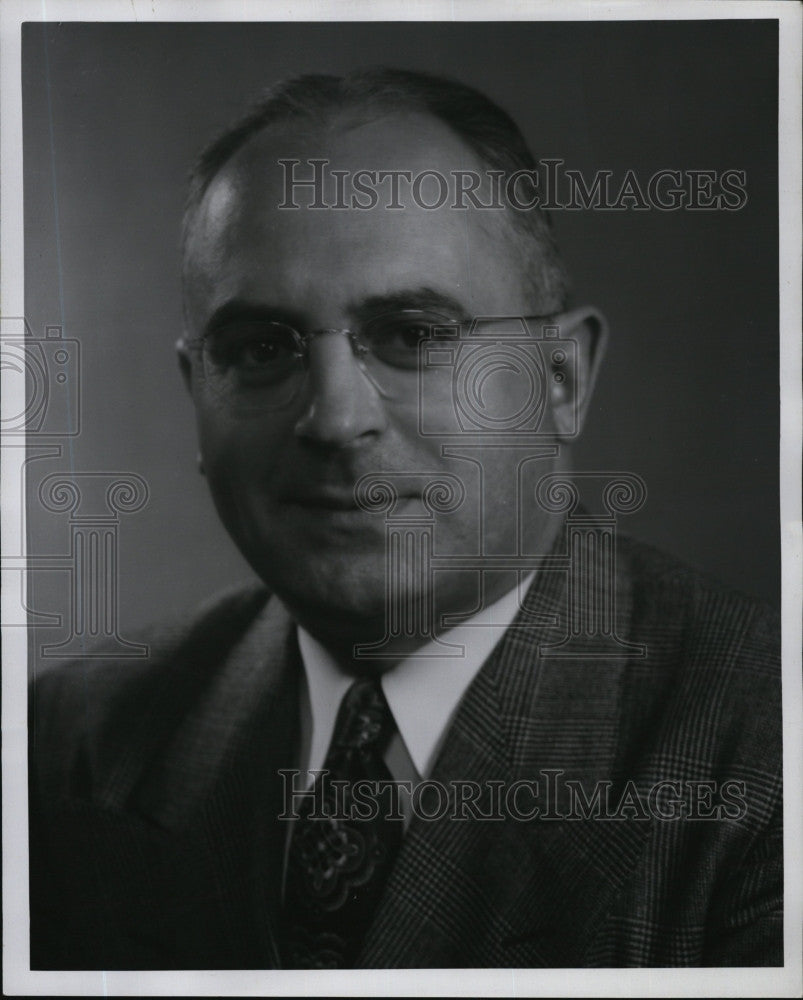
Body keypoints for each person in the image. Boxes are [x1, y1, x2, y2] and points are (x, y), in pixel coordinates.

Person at [28, 68, 782, 970]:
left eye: (414, 335)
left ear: (561, 381)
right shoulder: (60, 746)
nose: (336, 418)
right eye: (262, 349)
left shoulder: (769, 753)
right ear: (198, 396)